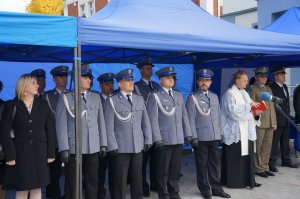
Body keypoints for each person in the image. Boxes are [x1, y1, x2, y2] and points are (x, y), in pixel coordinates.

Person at [55, 64, 107, 199]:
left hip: (93, 146)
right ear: (76, 78)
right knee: (72, 182)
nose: (90, 80)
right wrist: (64, 148)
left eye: (90, 78)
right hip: (74, 147)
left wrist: (103, 143)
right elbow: (61, 125)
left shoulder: (95, 97)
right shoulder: (66, 98)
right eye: (86, 77)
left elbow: (100, 122)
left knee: (92, 182)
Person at [0, 74, 55, 199]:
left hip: (39, 153)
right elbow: (4, 132)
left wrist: (51, 153)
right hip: (20, 154)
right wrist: (10, 155)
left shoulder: (43, 105)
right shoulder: (11, 105)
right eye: (34, 83)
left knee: (37, 187)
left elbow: (50, 130)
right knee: (22, 188)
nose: (38, 85)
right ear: (24, 87)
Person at [104, 68, 152, 199]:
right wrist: (112, 146)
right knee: (120, 180)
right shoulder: (112, 100)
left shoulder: (139, 99)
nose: (131, 83)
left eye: (132, 80)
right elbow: (108, 126)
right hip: (121, 147)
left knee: (137, 179)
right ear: (119, 84)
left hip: (137, 145)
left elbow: (145, 121)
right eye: (128, 80)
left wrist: (148, 139)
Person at [146, 66, 192, 199]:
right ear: (161, 80)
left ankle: (174, 192)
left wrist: (188, 133)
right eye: (168, 78)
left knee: (175, 169)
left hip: (177, 138)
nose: (171, 80)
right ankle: (163, 193)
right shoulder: (154, 96)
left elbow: (184, 115)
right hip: (164, 139)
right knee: (163, 170)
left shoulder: (177, 94)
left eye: (172, 78)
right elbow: (152, 119)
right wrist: (156, 138)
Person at [186, 69, 230, 199]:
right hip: (200, 137)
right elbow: (190, 119)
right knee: (202, 166)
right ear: (198, 82)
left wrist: (221, 133)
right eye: (201, 80)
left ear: (210, 82)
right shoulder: (192, 97)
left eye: (206, 80)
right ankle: (205, 190)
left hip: (214, 136)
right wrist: (193, 136)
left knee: (215, 165)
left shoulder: (214, 96)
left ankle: (217, 189)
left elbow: (218, 117)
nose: (204, 83)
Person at [221, 70, 261, 189]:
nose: (247, 82)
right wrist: (249, 108)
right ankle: (234, 181)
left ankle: (247, 180)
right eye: (244, 80)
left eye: (247, 80)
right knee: (236, 157)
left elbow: (250, 107)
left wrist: (256, 111)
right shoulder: (229, 94)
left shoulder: (244, 92)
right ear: (237, 80)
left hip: (246, 130)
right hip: (235, 131)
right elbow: (233, 113)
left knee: (246, 156)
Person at [134, 59, 160, 197]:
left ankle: (155, 183)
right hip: (142, 128)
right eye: (147, 68)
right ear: (141, 70)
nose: (150, 70)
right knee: (142, 162)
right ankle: (143, 185)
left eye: (151, 68)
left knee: (156, 159)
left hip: (156, 128)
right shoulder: (136, 86)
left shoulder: (156, 85)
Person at [44, 65, 69, 199]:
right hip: (54, 140)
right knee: (54, 172)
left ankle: (68, 194)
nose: (64, 79)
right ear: (54, 79)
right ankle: (54, 195)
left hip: (70, 140)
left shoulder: (72, 94)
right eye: (61, 76)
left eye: (65, 76)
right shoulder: (47, 97)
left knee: (71, 172)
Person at [248, 67, 277, 178]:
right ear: (256, 77)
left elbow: (272, 107)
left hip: (269, 122)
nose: (264, 78)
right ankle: (258, 168)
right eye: (262, 76)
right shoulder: (252, 89)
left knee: (267, 146)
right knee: (258, 146)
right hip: (259, 122)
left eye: (265, 76)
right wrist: (255, 118)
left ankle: (265, 167)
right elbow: (250, 106)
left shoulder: (268, 89)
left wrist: (274, 122)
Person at [269, 66, 299, 171]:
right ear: (276, 77)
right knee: (274, 143)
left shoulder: (285, 87)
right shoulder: (272, 88)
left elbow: (286, 103)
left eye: (284, 75)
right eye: (282, 75)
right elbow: (271, 106)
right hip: (277, 120)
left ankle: (286, 161)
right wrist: (274, 120)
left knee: (285, 142)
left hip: (286, 119)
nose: (284, 76)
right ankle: (271, 164)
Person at [96, 72, 115, 199]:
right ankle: (100, 192)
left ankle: (115, 193)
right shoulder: (95, 99)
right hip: (99, 141)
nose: (110, 87)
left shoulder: (118, 98)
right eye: (107, 84)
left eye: (112, 84)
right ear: (101, 86)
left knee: (115, 170)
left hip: (115, 141)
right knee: (100, 170)